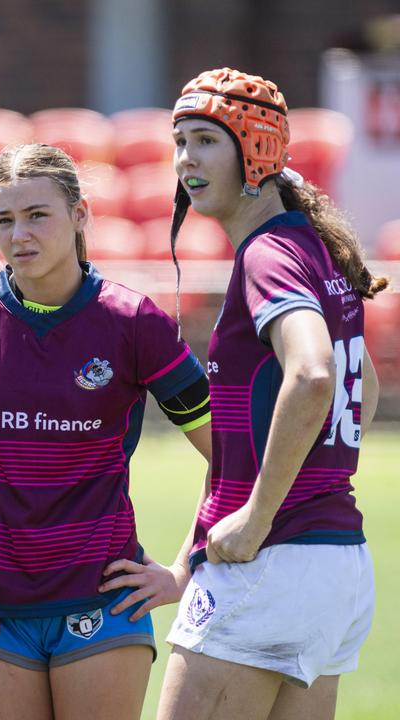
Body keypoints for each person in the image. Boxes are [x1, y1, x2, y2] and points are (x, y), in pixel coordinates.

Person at [0, 143, 214, 720]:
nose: (20, 235)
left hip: (104, 599)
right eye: (3, 220)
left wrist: (184, 566)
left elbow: (229, 452)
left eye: (38, 215)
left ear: (80, 215)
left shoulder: (134, 323)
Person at [157, 67, 387, 720]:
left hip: (272, 562)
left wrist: (259, 516)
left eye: (205, 140)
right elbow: (360, 387)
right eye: (180, 142)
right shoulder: (312, 247)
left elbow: (315, 376)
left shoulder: (268, 255)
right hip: (337, 565)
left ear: (255, 150)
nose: (186, 160)